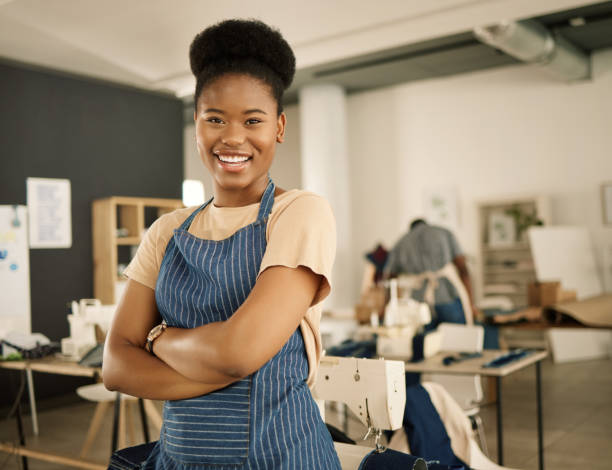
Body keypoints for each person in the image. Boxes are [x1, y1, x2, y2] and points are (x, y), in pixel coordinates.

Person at [102, 19, 341, 469]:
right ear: (196, 124)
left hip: (282, 459)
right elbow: (115, 367)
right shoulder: (166, 231)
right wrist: (223, 367)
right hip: (177, 460)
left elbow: (237, 354)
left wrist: (157, 341)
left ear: (280, 127)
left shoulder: (300, 212)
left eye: (254, 120)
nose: (233, 138)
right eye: (215, 119)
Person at [384, 219, 482, 327]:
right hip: (448, 297)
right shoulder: (445, 233)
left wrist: (386, 307)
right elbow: (463, 269)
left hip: (418, 305)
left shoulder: (400, 242)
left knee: (425, 341)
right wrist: (471, 303)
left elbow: (388, 278)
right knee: (455, 339)